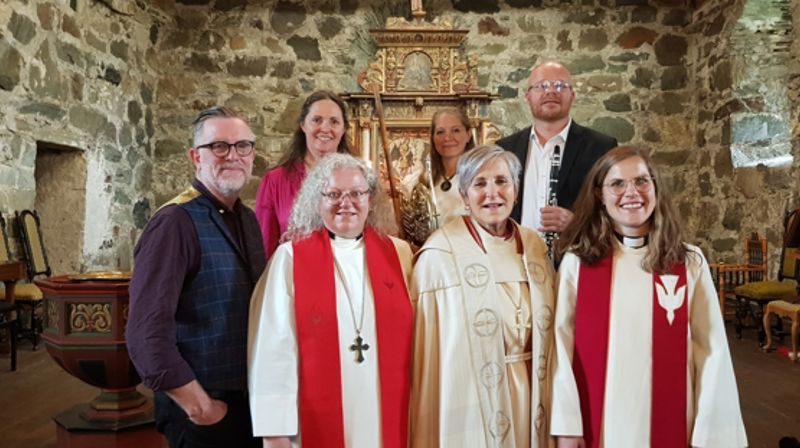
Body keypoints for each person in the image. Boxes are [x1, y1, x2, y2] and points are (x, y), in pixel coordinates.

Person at [550, 146, 747, 448]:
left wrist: (712, 434)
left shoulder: (688, 261)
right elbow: (561, 347)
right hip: (600, 417)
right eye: (617, 183)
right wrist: (567, 424)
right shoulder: (579, 263)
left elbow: (712, 351)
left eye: (642, 181)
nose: (632, 192)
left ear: (656, 188)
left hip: (673, 417)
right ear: (600, 195)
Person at [248, 153, 414, 448]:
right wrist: (275, 432)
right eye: (333, 194)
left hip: (390, 412)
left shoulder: (399, 255)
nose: (345, 202)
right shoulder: (291, 258)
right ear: (317, 199)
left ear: (371, 199)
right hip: (314, 417)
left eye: (356, 193)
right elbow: (274, 350)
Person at [127, 107, 266, 448]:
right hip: (202, 408)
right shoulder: (174, 222)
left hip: (248, 400)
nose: (233, 155)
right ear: (195, 156)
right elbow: (146, 333)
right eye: (219, 146)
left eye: (242, 146)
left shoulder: (247, 219)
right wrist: (202, 408)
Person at [411, 145, 555, 448]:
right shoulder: (441, 254)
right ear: (464, 196)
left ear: (516, 189)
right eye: (480, 184)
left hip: (534, 389)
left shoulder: (534, 246)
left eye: (502, 181)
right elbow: (428, 356)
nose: (493, 193)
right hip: (470, 400)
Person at [496, 61, 617, 236]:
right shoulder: (505, 148)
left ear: (573, 95)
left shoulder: (601, 147)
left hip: (574, 256)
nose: (551, 91)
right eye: (542, 86)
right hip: (516, 257)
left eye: (560, 86)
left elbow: (614, 210)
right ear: (527, 96)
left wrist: (577, 224)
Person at [255, 90, 352, 259]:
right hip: (292, 278)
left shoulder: (359, 181)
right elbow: (263, 250)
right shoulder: (275, 181)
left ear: (343, 129)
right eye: (316, 120)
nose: (325, 128)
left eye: (334, 122)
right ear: (303, 125)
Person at [403, 108, 476, 245]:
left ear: (468, 135)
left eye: (456, 130)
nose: (447, 138)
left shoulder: (481, 180)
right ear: (433, 138)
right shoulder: (423, 182)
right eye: (440, 132)